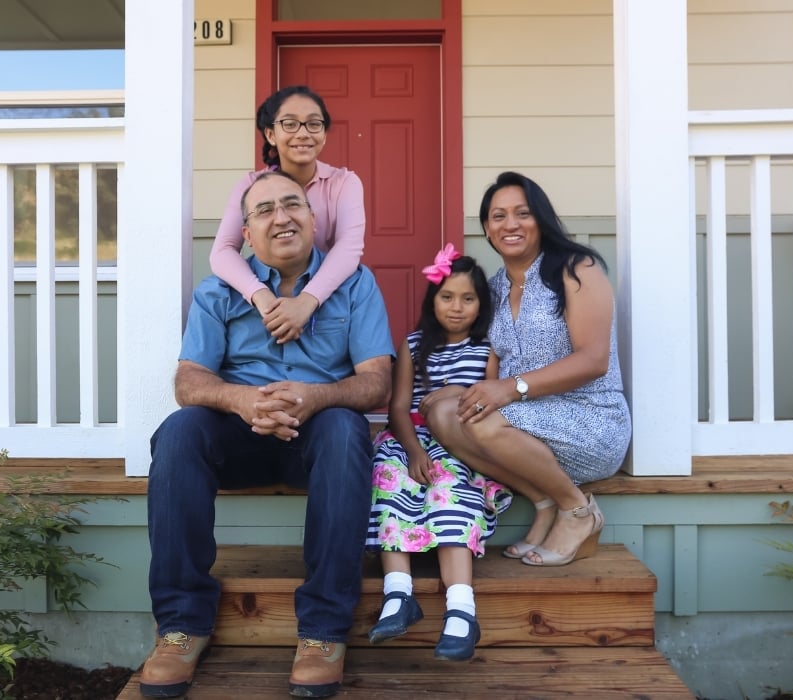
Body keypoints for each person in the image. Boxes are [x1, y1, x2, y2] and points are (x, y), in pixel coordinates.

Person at [139, 170, 393, 699]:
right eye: (264, 210)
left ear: (313, 218)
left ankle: (323, 631)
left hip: (317, 435)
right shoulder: (219, 293)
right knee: (179, 432)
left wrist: (316, 395)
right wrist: (242, 400)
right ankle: (180, 625)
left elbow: (376, 382)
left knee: (348, 431)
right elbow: (189, 381)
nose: (282, 217)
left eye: (292, 204)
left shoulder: (355, 283)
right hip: (241, 435)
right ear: (246, 234)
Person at [424, 171, 631, 568]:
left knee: (483, 420)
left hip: (591, 421)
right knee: (444, 414)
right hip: (529, 422)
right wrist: (464, 393)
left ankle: (578, 511)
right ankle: (544, 500)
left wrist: (509, 389)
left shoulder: (575, 270)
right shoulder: (498, 287)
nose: (510, 224)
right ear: (486, 228)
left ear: (541, 218)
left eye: (522, 213)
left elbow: (593, 360)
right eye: (498, 216)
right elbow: (495, 371)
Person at [364, 247, 513, 662]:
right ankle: (398, 596)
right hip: (410, 439)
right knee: (389, 482)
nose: (457, 307)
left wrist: (456, 394)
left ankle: (461, 610)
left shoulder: (489, 348)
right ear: (432, 301)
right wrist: (411, 451)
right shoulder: (413, 345)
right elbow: (397, 408)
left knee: (449, 493)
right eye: (447, 297)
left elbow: (494, 402)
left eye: (468, 298)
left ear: (481, 304)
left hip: (461, 444)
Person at [210, 84, 365, 344]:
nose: (303, 133)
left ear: (324, 135)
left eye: (314, 124)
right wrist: (261, 296)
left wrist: (306, 302)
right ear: (270, 134)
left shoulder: (344, 183)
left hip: (329, 302)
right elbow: (222, 251)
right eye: (290, 124)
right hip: (265, 306)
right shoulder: (250, 186)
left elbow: (349, 247)